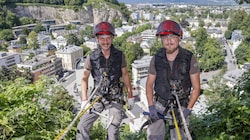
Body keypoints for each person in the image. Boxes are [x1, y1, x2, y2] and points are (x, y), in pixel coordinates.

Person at [76, 21, 134, 140]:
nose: (105, 42)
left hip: (115, 96)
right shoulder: (92, 57)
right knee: (82, 126)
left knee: (113, 131)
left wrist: (130, 95)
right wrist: (84, 99)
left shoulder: (119, 55)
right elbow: (84, 78)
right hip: (98, 96)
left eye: (108, 38)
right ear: (97, 39)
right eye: (102, 38)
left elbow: (125, 74)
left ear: (112, 38)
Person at [146, 20, 200, 140]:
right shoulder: (156, 59)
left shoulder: (189, 59)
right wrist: (151, 107)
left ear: (179, 37)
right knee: (153, 136)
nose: (168, 41)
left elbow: (196, 87)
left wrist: (188, 109)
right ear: (161, 39)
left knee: (180, 137)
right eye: (165, 37)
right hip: (160, 103)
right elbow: (149, 85)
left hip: (181, 105)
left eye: (172, 37)